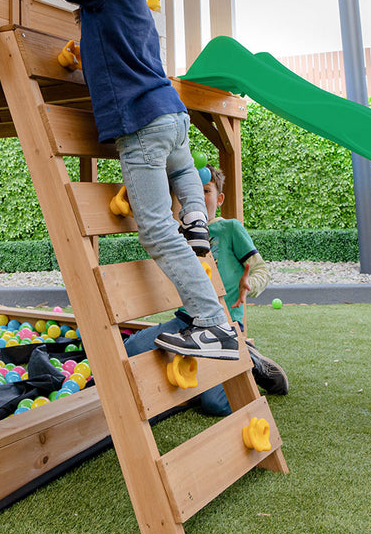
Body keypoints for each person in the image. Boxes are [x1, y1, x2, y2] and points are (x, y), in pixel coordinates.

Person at [0, 0, 238, 360]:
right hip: (172, 116)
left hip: (142, 126)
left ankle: (213, 324)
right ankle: (196, 219)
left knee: (155, 231)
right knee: (181, 170)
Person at [124, 164, 289, 416]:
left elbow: (261, 270)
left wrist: (250, 284)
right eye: (190, 193)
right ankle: (216, 365)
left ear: (219, 198)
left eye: (206, 191)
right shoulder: (177, 236)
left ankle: (251, 361)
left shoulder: (230, 229)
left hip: (223, 326)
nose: (199, 198)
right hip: (186, 322)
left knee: (214, 404)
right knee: (131, 349)